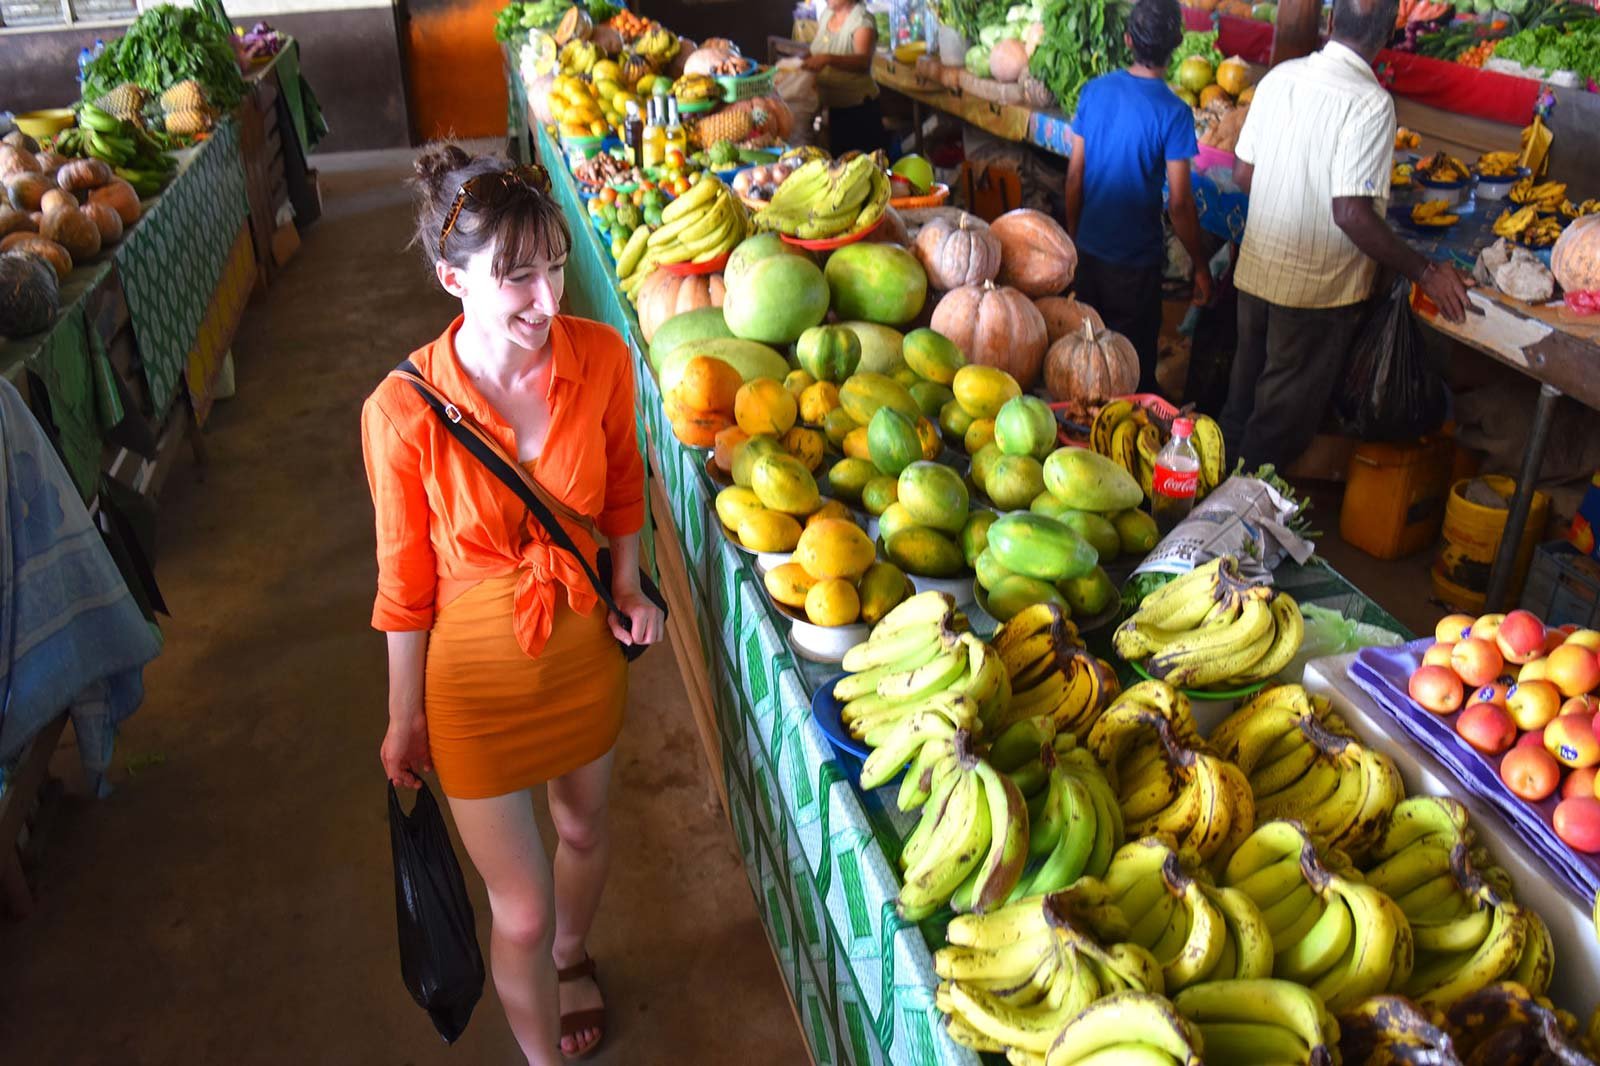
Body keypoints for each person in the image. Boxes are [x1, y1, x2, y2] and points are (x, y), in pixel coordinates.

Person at [363, 143, 664, 1064]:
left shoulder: (602, 357)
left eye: (556, 267)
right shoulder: (402, 411)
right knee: (520, 909)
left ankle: (577, 955)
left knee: (583, 827)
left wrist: (626, 584)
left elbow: (621, 490)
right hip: (475, 692)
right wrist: (403, 715)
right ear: (453, 279)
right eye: (517, 277)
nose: (547, 299)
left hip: (581, 656)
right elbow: (405, 586)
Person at [1222, 0, 1471, 469]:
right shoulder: (1370, 103)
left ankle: (1202, 520)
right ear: (1386, 35)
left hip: (1256, 274)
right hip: (1313, 295)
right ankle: (1231, 530)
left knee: (1241, 409)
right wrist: (1426, 270)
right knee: (1275, 432)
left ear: (1332, 22)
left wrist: (1294, 186)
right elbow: (1351, 213)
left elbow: (1242, 173)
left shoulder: (1280, 78)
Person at [1065, 0, 1213, 396]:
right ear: (1177, 44)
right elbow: (1180, 204)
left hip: (1089, 257)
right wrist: (1201, 265)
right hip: (1134, 269)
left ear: (1128, 40)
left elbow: (1074, 176)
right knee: (1131, 373)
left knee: (1085, 361)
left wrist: (1075, 241)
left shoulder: (1094, 91)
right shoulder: (1175, 112)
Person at [802, 0, 888, 155]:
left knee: (861, 166)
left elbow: (862, 62)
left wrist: (828, 59)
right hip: (834, 109)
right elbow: (817, 49)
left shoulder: (862, 21)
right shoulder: (827, 15)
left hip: (859, 112)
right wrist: (799, 61)